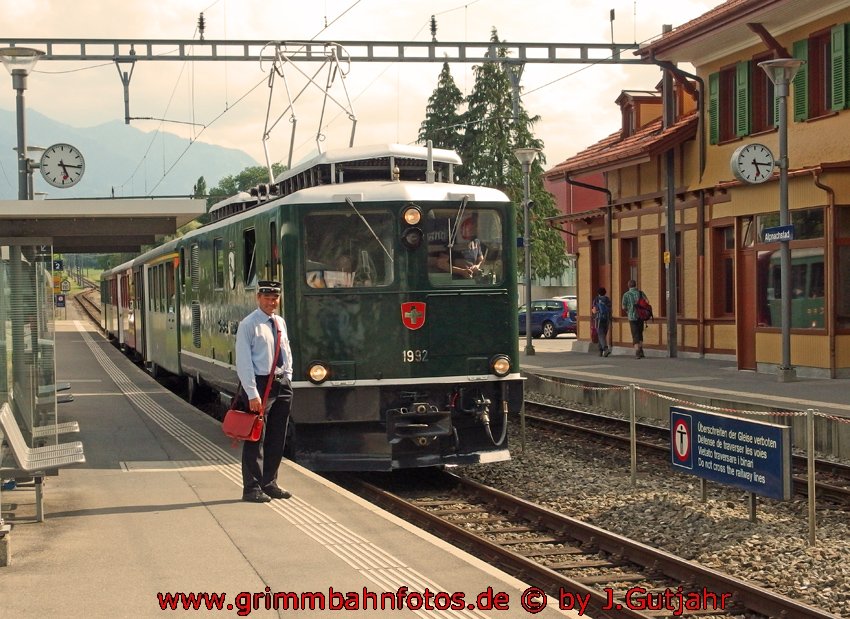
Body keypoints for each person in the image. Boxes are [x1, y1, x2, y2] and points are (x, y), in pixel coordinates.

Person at [234, 280, 294, 503]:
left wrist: (288, 376)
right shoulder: (249, 325)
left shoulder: (279, 322)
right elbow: (244, 361)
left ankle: (269, 483)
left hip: (281, 384)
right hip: (260, 384)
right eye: (268, 298)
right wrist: (252, 393)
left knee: (277, 436)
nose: (272, 302)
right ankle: (251, 488)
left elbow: (286, 351)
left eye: (275, 298)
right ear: (258, 298)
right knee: (255, 437)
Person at [621, 279, 647, 359]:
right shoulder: (641, 293)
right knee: (640, 333)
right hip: (641, 316)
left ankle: (637, 352)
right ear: (635, 285)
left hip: (632, 317)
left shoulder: (626, 294)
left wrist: (628, 311)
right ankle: (641, 349)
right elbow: (647, 301)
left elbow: (623, 306)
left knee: (635, 334)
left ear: (628, 286)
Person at [592, 287, 612, 357]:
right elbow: (610, 309)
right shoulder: (607, 299)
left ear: (598, 293)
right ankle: (600, 351)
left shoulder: (596, 299)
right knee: (603, 334)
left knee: (600, 334)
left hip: (599, 318)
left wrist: (594, 313)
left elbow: (594, 310)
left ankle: (605, 349)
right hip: (607, 319)